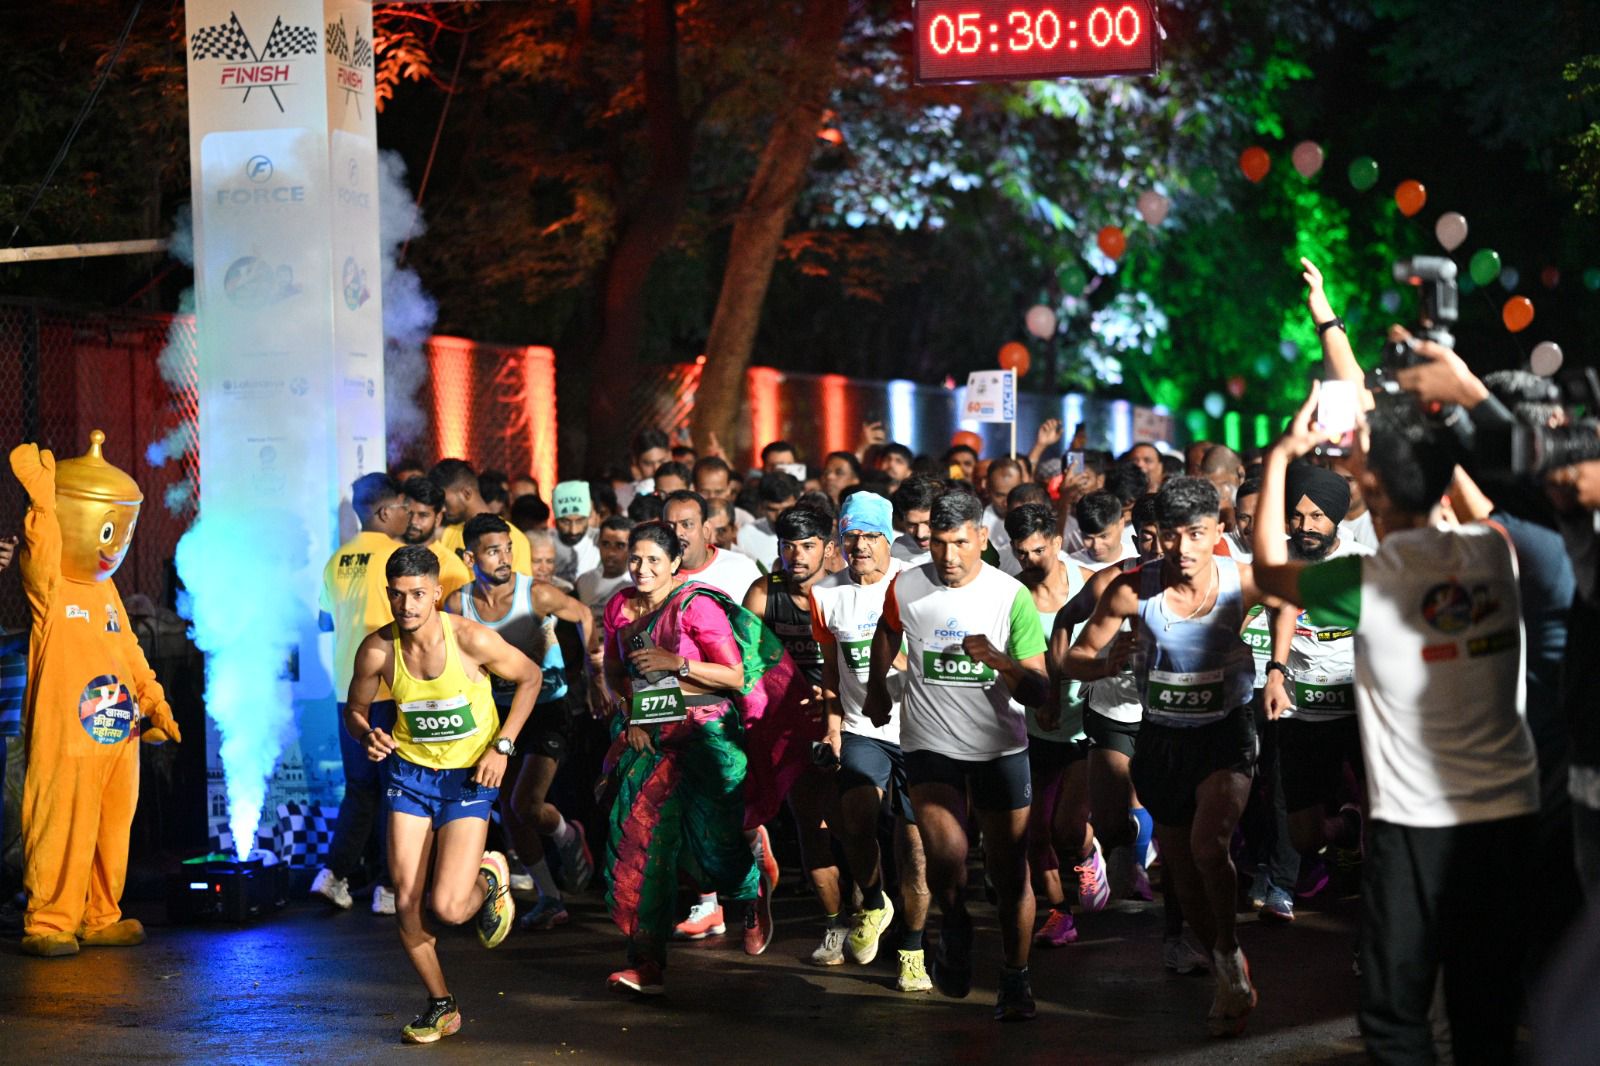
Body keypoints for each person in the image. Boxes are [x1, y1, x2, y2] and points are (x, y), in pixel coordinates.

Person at [1251, 392, 1539, 1064]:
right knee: (1486, 1009)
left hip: (1416, 827)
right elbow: (1471, 502)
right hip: (1511, 818)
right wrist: (1432, 433)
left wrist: (1283, 456)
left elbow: (1266, 571)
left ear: (1372, 492)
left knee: (1394, 1015)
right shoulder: (1499, 550)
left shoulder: (1369, 578)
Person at [1066, 476, 1276, 1037]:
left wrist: (1277, 668)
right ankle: (1227, 964)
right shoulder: (1131, 590)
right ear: (1157, 535)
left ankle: (1227, 951)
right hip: (1161, 739)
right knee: (1182, 872)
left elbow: (1289, 601)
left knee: (1210, 847)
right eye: (1172, 535)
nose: (1183, 548)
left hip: (1225, 734)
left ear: (1218, 531)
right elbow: (1075, 658)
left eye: (1197, 534)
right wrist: (1107, 663)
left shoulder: (1242, 581)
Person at [600, 522, 812, 993]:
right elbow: (614, 672)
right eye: (636, 559)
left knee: (711, 854)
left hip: (706, 735)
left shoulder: (696, 604)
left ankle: (753, 885)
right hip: (650, 737)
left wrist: (675, 662)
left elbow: (734, 676)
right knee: (643, 844)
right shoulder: (619, 605)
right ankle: (646, 962)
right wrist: (630, 714)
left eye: (654, 560)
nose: (642, 569)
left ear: (675, 562)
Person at [863, 491, 1051, 1022]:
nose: (949, 556)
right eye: (940, 544)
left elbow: (1039, 691)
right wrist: (877, 687)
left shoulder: (1010, 596)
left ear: (982, 539)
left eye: (961, 543)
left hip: (999, 750)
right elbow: (887, 630)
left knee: (1010, 872)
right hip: (930, 744)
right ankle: (955, 921)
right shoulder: (907, 585)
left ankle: (1015, 976)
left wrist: (999, 661)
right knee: (946, 856)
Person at [343, 545, 540, 1044]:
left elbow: (530, 677)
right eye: (397, 595)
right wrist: (366, 735)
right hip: (409, 777)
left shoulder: (471, 639)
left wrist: (503, 746)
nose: (406, 605)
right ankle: (441, 1005)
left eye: (417, 594)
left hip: (468, 779)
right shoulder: (377, 649)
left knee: (450, 908)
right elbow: (355, 710)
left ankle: (488, 877)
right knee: (407, 901)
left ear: (435, 593)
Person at [446, 514, 595, 930]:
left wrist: (595, 673)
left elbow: (584, 614)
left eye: (508, 549)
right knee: (511, 813)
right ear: (469, 558)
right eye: (493, 551)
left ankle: (567, 834)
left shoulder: (537, 594)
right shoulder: (458, 604)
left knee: (525, 803)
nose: (505, 558)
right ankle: (550, 897)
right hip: (498, 713)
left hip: (547, 707)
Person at [810, 491, 932, 991]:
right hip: (863, 729)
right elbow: (831, 667)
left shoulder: (915, 584)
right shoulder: (826, 593)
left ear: (889, 539)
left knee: (915, 851)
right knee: (856, 820)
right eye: (851, 536)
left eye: (870, 536)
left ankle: (913, 952)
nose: (859, 546)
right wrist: (832, 724)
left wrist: (896, 659)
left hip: (920, 733)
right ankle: (876, 902)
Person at [1260, 463, 1372, 923]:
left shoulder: (1361, 563)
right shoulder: (1280, 561)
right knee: (1304, 835)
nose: (1305, 526)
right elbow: (1277, 606)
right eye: (1297, 516)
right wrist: (1274, 673)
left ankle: (1374, 915)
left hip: (1357, 710)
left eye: (1317, 517)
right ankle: (1346, 826)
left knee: (1382, 816)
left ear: (1337, 519)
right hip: (1299, 711)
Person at [1005, 503, 1106, 949]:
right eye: (1021, 552)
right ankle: (1060, 913)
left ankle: (1087, 852)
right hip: (1034, 728)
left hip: (1085, 723)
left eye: (1038, 550)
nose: (1030, 559)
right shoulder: (1012, 594)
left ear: (1057, 542)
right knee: (1034, 832)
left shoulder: (1089, 584)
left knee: (1067, 828)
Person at [313, 473, 409, 915]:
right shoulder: (398, 558)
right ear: (385, 511)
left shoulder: (337, 560)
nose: (408, 516)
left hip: (347, 694)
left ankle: (334, 875)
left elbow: (325, 622)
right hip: (389, 689)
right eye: (403, 508)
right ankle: (388, 887)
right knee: (394, 790)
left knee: (360, 788)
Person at [743, 506, 834, 962]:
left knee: (856, 824)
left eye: (808, 546)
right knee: (809, 824)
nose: (797, 556)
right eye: (788, 546)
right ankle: (834, 923)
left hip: (844, 716)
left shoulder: (843, 590)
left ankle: (872, 909)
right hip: (786, 723)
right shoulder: (764, 592)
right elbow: (742, 663)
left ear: (828, 549)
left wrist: (835, 697)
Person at [430, 459, 535, 577]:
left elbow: (519, 587)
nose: (443, 509)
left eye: (445, 501)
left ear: (466, 493)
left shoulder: (513, 537)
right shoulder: (448, 534)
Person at [664, 490, 762, 601]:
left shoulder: (742, 568)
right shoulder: (654, 573)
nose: (677, 533)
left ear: (705, 530)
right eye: (670, 526)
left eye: (687, 524)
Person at [400, 476, 473, 599]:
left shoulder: (451, 568)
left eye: (423, 515)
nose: (413, 521)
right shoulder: (385, 554)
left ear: (438, 519)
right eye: (409, 513)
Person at [577, 516, 636, 638]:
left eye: (620, 546)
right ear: (598, 543)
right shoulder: (584, 581)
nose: (611, 553)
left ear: (632, 548)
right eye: (605, 544)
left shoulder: (637, 586)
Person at [738, 472, 802, 572]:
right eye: (772, 509)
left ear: (797, 503)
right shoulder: (746, 535)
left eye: (787, 509)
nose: (780, 516)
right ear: (761, 506)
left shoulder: (812, 533)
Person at [1068, 491, 1135, 571]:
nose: (1096, 546)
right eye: (1088, 538)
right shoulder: (1068, 568)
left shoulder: (1139, 557)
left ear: (1121, 524)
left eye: (1103, 536)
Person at [982, 459, 1027, 574]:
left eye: (1013, 494)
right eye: (999, 495)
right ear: (987, 488)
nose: (1007, 502)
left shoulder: (1036, 520)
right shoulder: (978, 524)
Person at [552, 481, 600, 583]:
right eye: (565, 522)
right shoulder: (543, 542)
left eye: (580, 521)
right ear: (555, 519)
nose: (573, 531)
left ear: (589, 515)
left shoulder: (601, 540)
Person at [890, 475, 938, 563]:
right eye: (911, 525)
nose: (920, 534)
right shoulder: (894, 554)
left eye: (928, 523)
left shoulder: (961, 551)